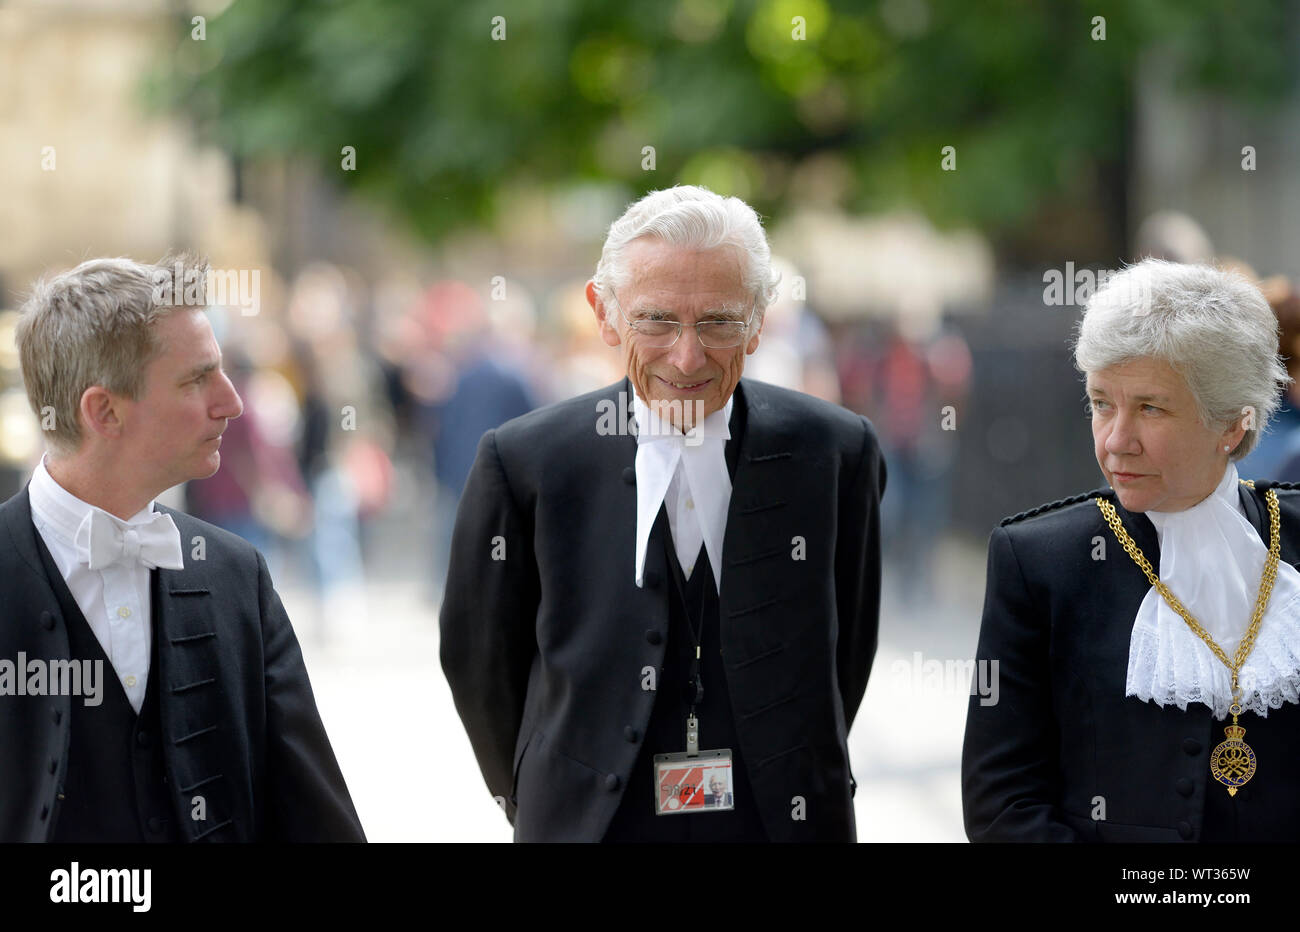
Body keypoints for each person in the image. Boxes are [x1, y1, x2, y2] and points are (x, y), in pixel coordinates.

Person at [440, 185, 887, 842]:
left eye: (719, 322)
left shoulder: (837, 452)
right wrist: (540, 792)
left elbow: (849, 646)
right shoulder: (524, 461)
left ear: (762, 319)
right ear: (605, 313)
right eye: (656, 321)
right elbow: (480, 665)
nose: (687, 357)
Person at [0, 255, 365, 842]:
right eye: (197, 379)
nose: (232, 402)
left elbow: (315, 823)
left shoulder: (235, 575)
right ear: (105, 411)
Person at [962, 258, 1300, 842]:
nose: (1116, 440)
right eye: (1101, 403)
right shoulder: (1038, 563)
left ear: (1232, 423)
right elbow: (1002, 802)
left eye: (1150, 407)